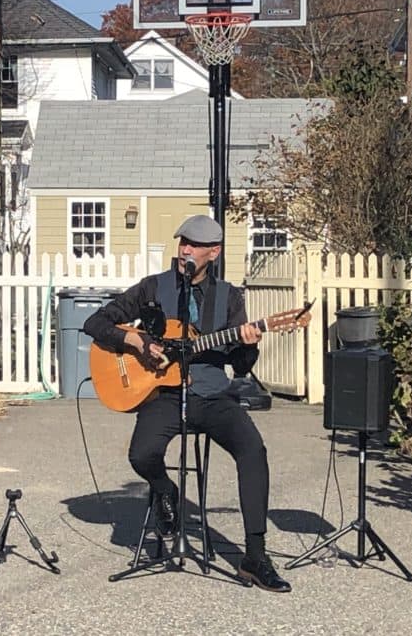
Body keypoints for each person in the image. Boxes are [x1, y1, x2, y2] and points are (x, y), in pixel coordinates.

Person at [83, 215, 291, 593]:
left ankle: (255, 557)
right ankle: (166, 490)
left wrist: (250, 341)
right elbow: (96, 323)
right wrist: (135, 342)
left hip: (212, 395)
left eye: (194, 245)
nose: (185, 250)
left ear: (214, 252)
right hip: (163, 394)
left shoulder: (229, 297)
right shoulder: (152, 288)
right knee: (141, 455)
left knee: (253, 450)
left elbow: (240, 367)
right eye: (183, 242)